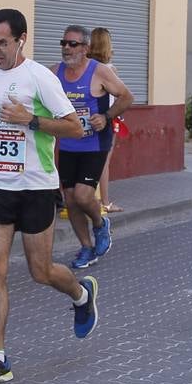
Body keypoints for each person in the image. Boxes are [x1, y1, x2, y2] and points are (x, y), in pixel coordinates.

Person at [0, 8, 97, 384]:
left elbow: (74, 127)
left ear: (21, 40)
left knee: (41, 271)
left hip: (36, 187)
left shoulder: (39, 77)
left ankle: (79, 292)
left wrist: (31, 120)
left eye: (3, 43)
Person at [55, 26, 133, 270]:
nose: (67, 48)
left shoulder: (99, 71)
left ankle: (100, 224)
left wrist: (106, 117)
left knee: (82, 195)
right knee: (70, 199)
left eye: (73, 44)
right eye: (64, 43)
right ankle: (86, 247)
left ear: (85, 48)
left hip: (94, 143)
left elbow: (126, 97)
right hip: (67, 144)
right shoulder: (54, 72)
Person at [87, 27, 124, 214]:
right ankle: (105, 202)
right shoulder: (109, 70)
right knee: (104, 162)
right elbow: (121, 96)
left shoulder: (86, 67)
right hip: (105, 119)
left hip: (86, 118)